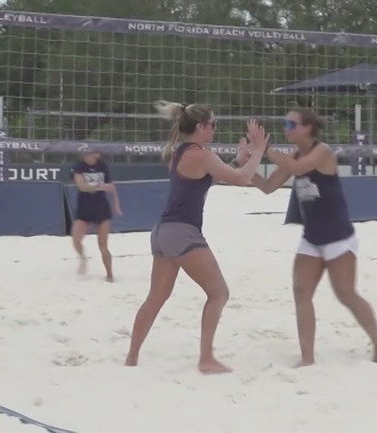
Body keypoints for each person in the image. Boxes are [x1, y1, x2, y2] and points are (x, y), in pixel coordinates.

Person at [124, 102, 268, 374]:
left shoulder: (179, 152)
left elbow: (211, 178)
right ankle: (206, 359)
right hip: (182, 232)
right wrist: (259, 152)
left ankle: (132, 356)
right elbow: (239, 180)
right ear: (201, 127)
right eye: (213, 124)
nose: (215, 129)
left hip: (162, 232)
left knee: (156, 297)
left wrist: (240, 159)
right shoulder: (201, 154)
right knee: (219, 293)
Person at [246, 107, 377, 366]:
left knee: (346, 294)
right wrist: (242, 161)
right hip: (312, 236)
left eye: (291, 124)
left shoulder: (321, 151)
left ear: (308, 128)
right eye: (285, 124)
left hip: (337, 236)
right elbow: (268, 187)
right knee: (301, 292)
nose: (286, 129)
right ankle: (307, 357)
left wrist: (264, 149)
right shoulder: (294, 154)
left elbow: (299, 168)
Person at [70, 152, 122, 281]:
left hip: (101, 208)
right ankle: (83, 257)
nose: (86, 156)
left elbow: (112, 187)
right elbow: (81, 186)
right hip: (84, 208)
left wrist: (116, 205)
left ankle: (109, 274)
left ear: (96, 155)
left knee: (103, 246)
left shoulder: (102, 166)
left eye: (89, 154)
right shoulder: (79, 167)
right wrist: (99, 186)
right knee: (76, 240)